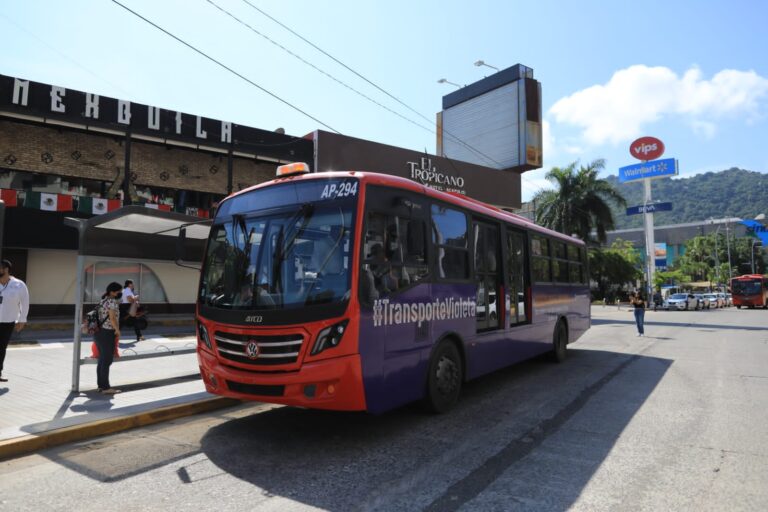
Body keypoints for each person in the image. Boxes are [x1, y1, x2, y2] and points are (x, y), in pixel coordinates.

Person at [0, 260, 29, 383]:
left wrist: (22, 320)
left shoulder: (19, 285)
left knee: (1, 348)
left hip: (7, 322)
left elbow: (25, 302)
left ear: (6, 269)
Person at [95, 282, 122, 395]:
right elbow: (112, 318)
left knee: (102, 360)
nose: (119, 293)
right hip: (107, 333)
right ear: (112, 291)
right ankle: (106, 388)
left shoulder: (103, 300)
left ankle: (101, 386)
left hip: (99, 332)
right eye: (118, 291)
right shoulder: (112, 302)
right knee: (107, 360)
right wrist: (117, 329)